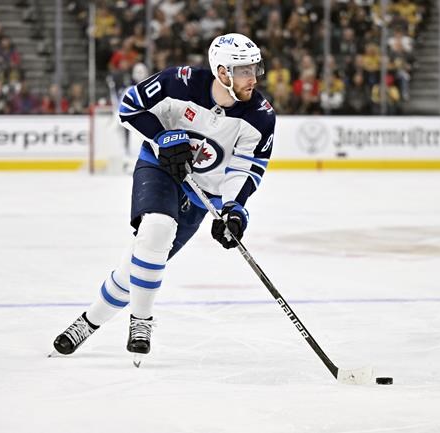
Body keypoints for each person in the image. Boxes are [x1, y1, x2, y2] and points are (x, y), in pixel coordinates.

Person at [52, 33, 276, 366]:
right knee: (157, 227)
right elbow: (129, 106)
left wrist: (233, 209)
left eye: (255, 69)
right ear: (222, 72)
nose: (253, 78)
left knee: (141, 262)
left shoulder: (260, 116)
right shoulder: (179, 82)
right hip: (160, 167)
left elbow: (246, 168)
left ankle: (88, 322)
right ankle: (141, 321)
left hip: (201, 197)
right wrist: (162, 135)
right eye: (244, 70)